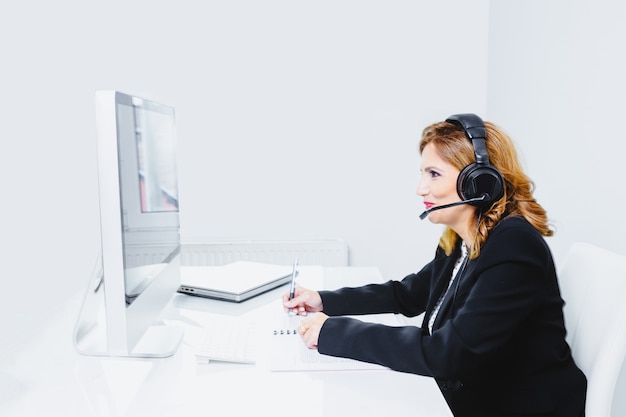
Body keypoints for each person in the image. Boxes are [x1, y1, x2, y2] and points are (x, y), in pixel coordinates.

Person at [283, 114, 587, 417]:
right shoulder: (465, 238)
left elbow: (448, 353)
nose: (420, 189)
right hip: (473, 394)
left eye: (434, 174)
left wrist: (334, 332)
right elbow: (408, 294)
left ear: (479, 181)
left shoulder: (514, 245)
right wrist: (324, 301)